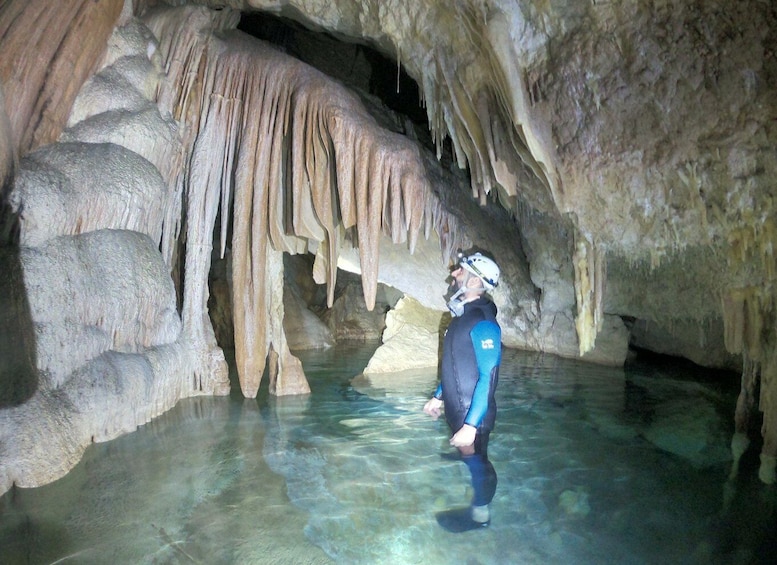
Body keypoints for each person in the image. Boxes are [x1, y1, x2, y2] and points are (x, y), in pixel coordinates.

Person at [424, 251, 502, 532]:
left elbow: (487, 375)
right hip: (461, 410)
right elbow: (456, 364)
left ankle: (480, 515)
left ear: (476, 281)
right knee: (470, 457)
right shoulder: (462, 317)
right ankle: (474, 485)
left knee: (476, 461)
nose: (455, 274)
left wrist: (470, 425)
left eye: (461, 271)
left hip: (475, 415)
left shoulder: (483, 321)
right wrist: (439, 395)